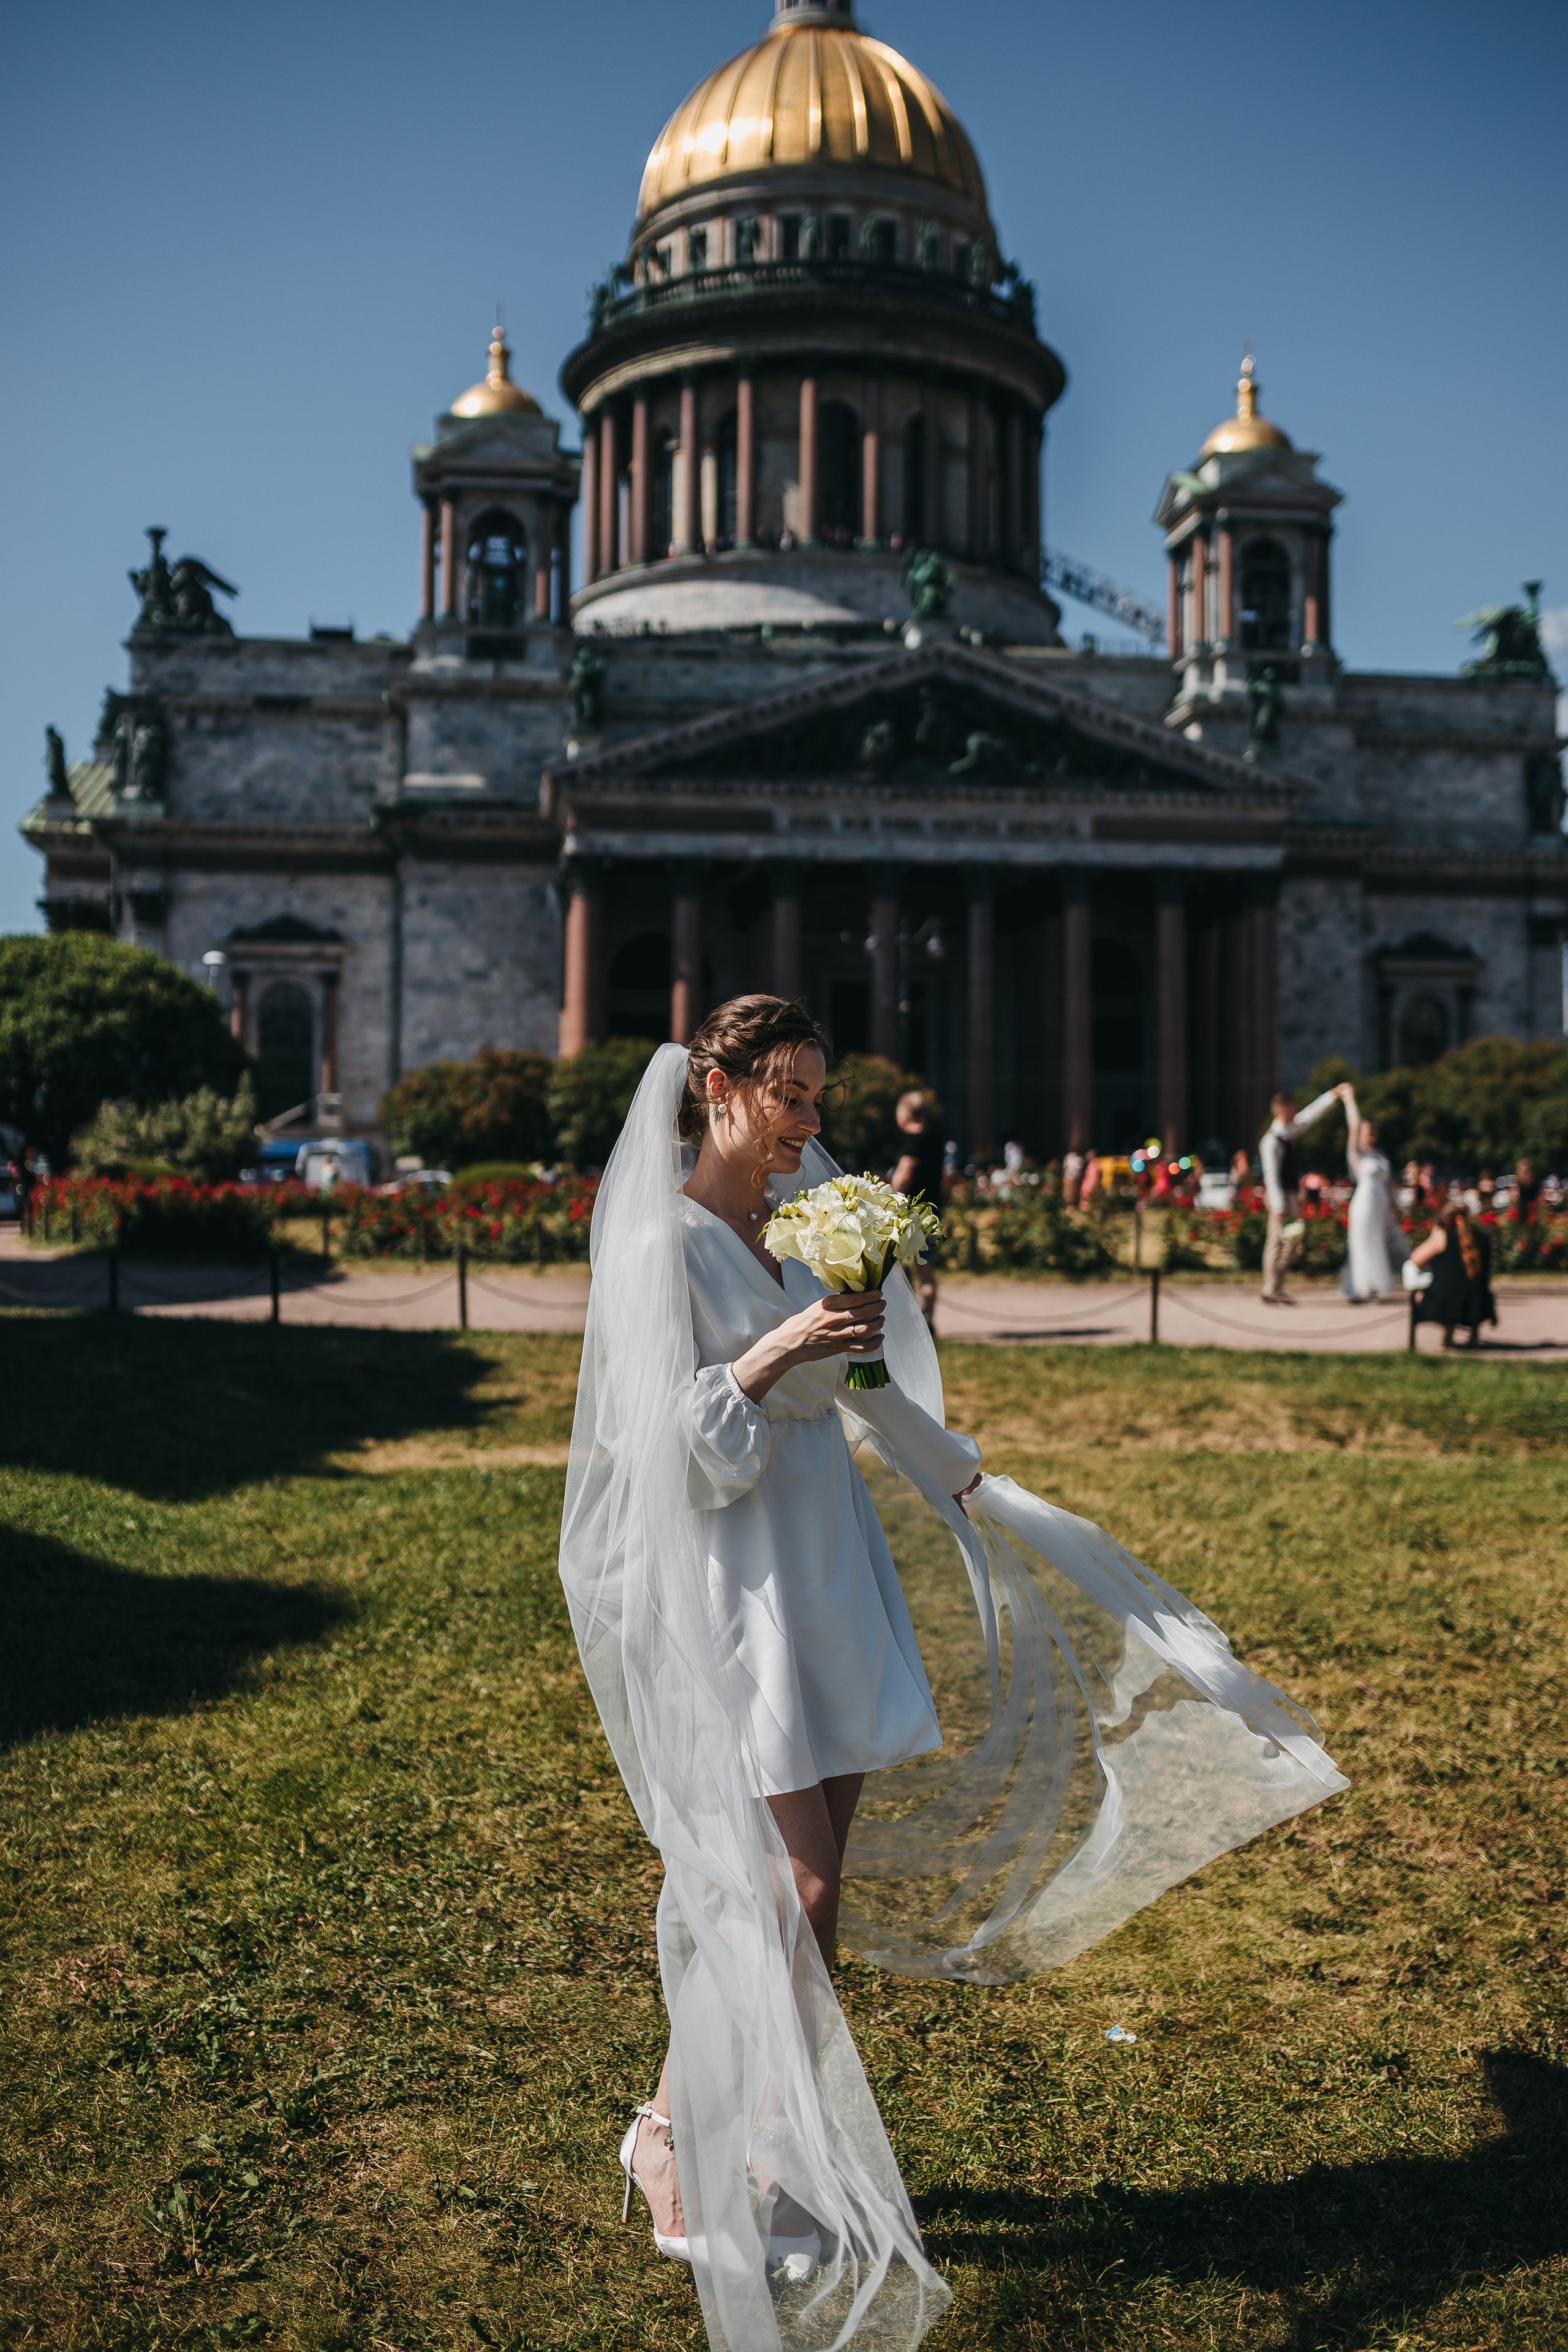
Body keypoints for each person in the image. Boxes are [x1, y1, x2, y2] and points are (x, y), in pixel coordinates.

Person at [559, 997, 1348, 2350]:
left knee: (807, 1888)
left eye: (819, 1096)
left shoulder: (797, 1220)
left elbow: (856, 1392)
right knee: (789, 1885)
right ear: (716, 1086)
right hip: (737, 1583)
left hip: (826, 1558)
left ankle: (747, 2131)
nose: (810, 1121)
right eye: (789, 1093)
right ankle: (679, 2133)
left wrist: (951, 1463)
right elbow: (663, 1450)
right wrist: (779, 1348)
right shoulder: (658, 1242)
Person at [1259, 1085, 1339, 1305]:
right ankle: (1270, 1288)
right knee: (1276, 1243)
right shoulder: (1271, 1140)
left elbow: (1310, 1116)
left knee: (1293, 1240)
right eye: (1291, 1107)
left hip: (1291, 1195)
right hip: (1281, 1198)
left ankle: (1277, 1286)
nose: (1295, 1110)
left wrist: (1332, 1096)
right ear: (1281, 1109)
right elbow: (1271, 1176)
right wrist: (1278, 1206)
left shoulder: (1288, 1132)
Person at [1334, 1083, 1407, 1301]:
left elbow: (1389, 1185)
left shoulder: (1380, 1156)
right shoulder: (1357, 1154)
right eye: (1368, 1132)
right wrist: (1349, 1100)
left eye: (1374, 1132)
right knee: (1363, 1244)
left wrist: (1395, 1207)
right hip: (1364, 1205)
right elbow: (1354, 1126)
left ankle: (1376, 1285)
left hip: (1380, 1205)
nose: (1371, 1135)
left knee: (1378, 1244)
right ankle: (1361, 1287)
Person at [889, 1089, 945, 1327]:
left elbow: (903, 1176)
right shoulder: (935, 1139)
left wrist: (890, 1198)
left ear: (904, 1114)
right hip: (933, 1213)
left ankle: (912, 1319)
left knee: (896, 1267)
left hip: (911, 1215)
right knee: (927, 1269)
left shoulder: (913, 1141)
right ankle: (929, 1320)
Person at [1409, 1200, 1497, 1349]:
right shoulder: (1483, 1238)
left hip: (1445, 1304)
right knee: (1469, 1286)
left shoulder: (1442, 1237)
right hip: (1479, 1303)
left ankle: (1448, 1332)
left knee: (1426, 1292)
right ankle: (1474, 1334)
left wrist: (1434, 1234)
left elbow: (1416, 1260)